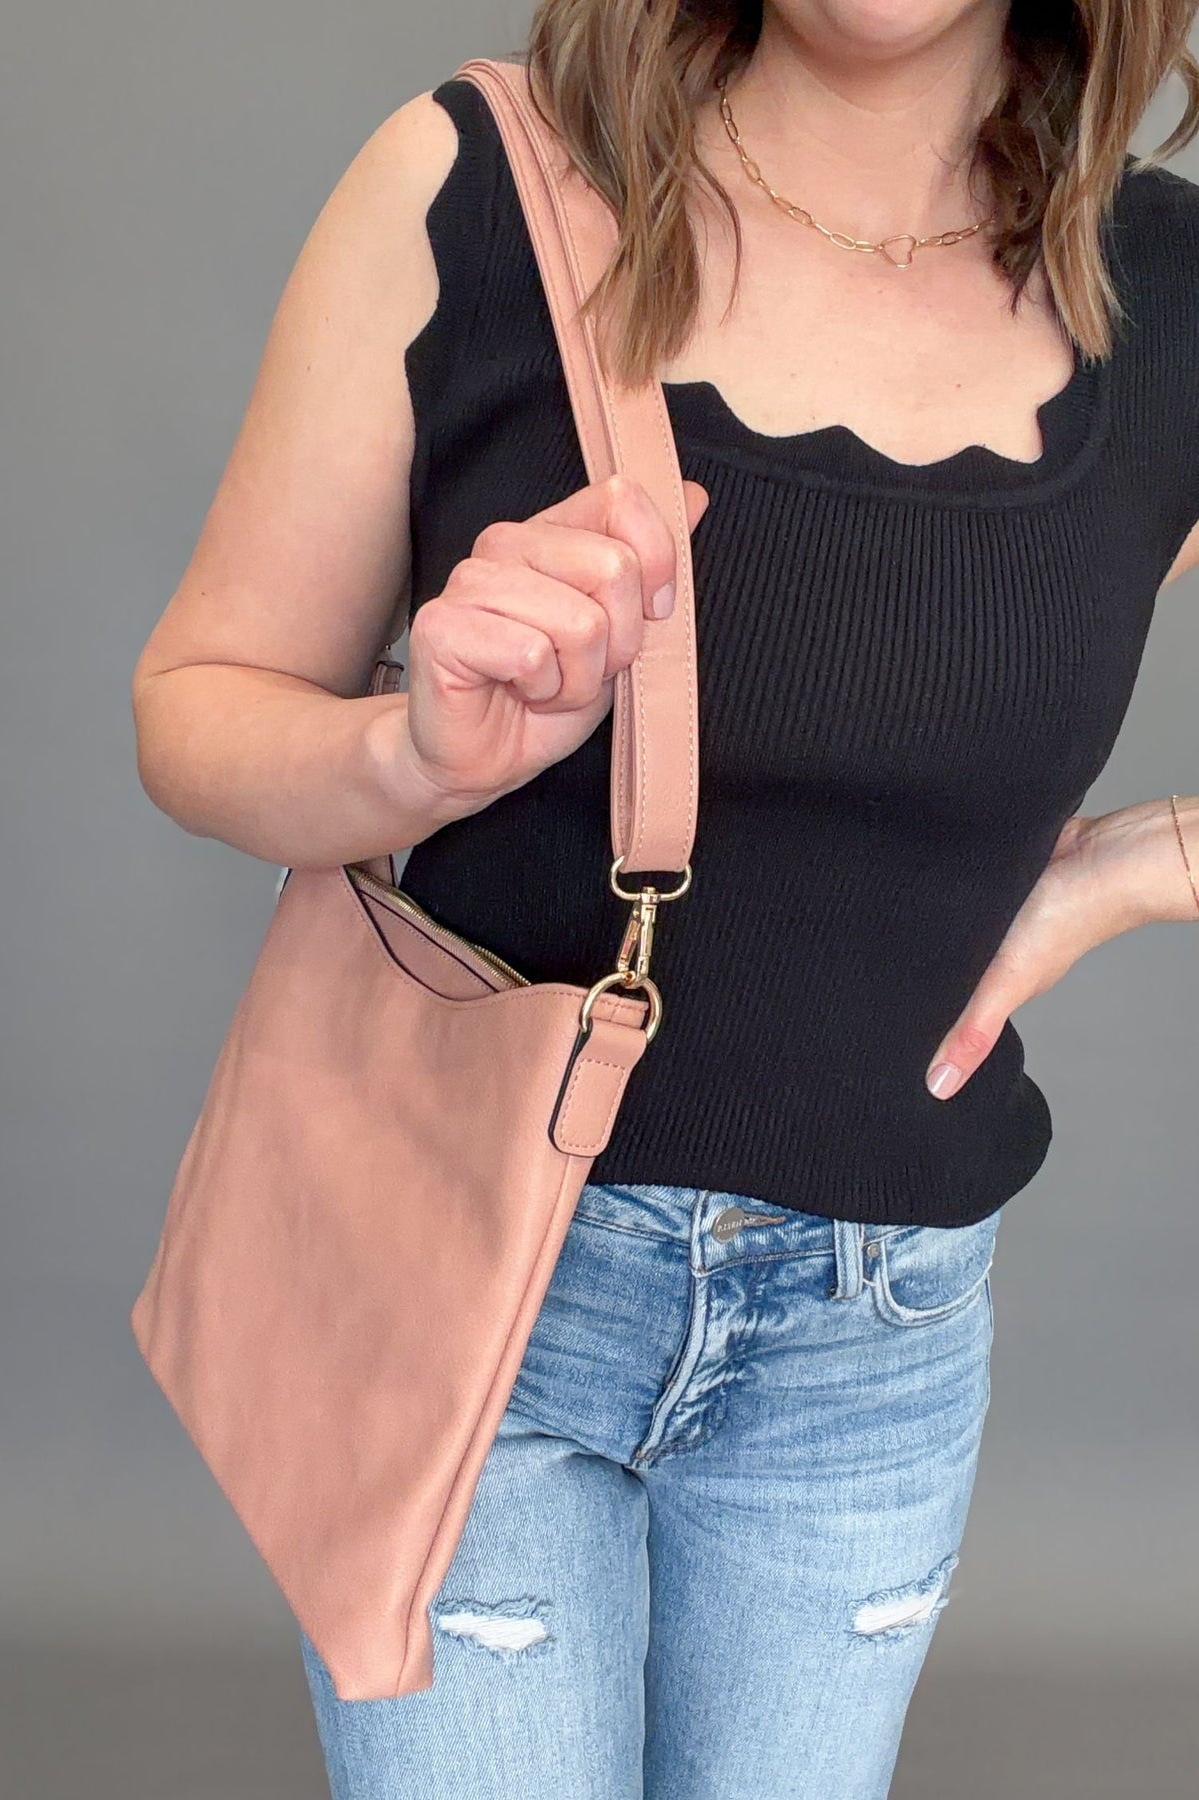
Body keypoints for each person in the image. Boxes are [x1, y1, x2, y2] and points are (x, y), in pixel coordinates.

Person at [131, 2, 1199, 1795]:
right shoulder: (472, 186)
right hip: (487, 1293)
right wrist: (420, 755)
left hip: (878, 1338)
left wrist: (1142, 866)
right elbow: (197, 707)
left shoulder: (1163, 290)